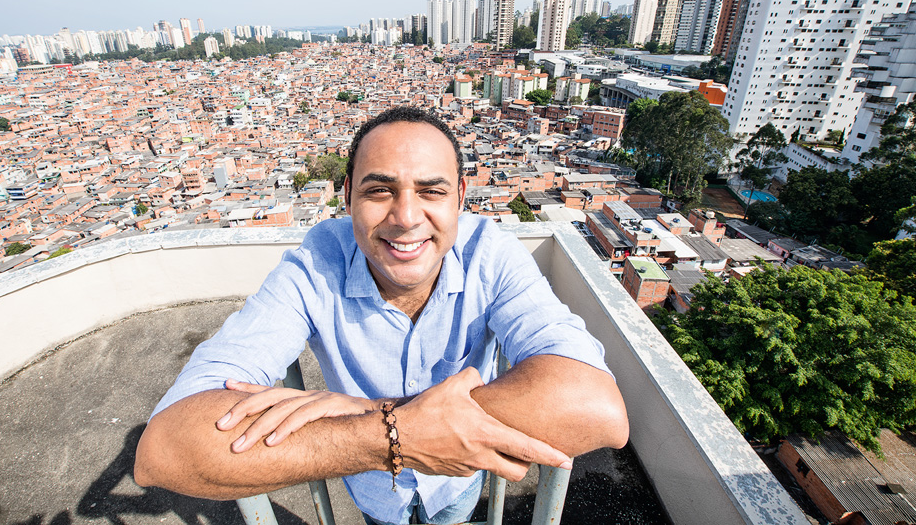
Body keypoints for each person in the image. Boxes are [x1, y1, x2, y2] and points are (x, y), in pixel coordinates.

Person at [135, 106, 628, 525]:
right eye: (379, 190)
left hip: (454, 483)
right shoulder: (316, 264)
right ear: (346, 195)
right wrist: (394, 437)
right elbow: (166, 452)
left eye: (431, 191)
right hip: (374, 490)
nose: (406, 217)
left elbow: (595, 409)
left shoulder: (490, 254)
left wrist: (364, 415)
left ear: (461, 196)